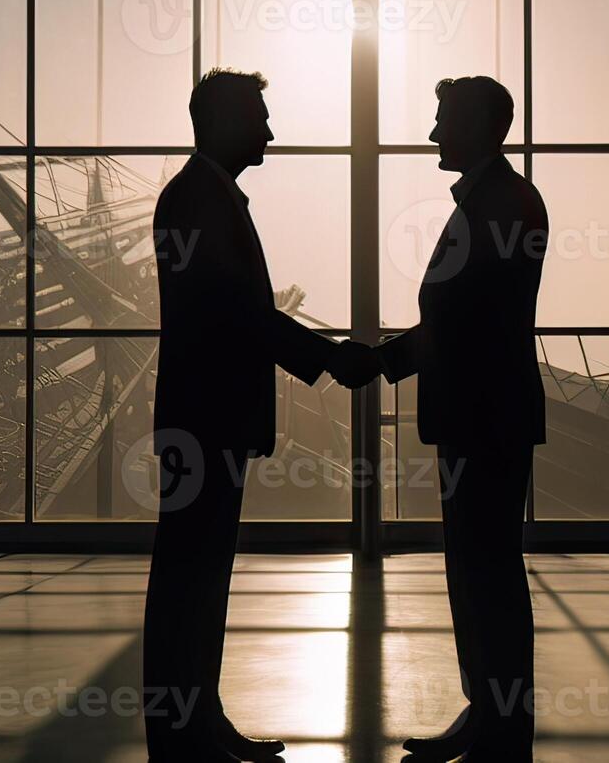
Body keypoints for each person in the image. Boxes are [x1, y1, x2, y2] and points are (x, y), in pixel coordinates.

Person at [143, 68, 377, 762]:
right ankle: (183, 730)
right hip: (206, 418)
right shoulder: (198, 202)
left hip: (204, 416)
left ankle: (194, 721)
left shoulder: (202, 199)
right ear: (221, 120)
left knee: (199, 573)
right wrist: (330, 358)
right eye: (258, 116)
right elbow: (237, 314)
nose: (270, 130)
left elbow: (234, 312)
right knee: (192, 573)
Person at [352, 76, 549, 761]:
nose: (434, 134)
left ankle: (498, 721)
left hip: (482, 416)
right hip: (482, 414)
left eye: (442, 120)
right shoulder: (496, 200)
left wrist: (381, 361)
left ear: (475, 125)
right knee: (477, 567)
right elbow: (462, 319)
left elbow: (463, 321)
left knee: (484, 568)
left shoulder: (498, 204)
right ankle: (490, 714)